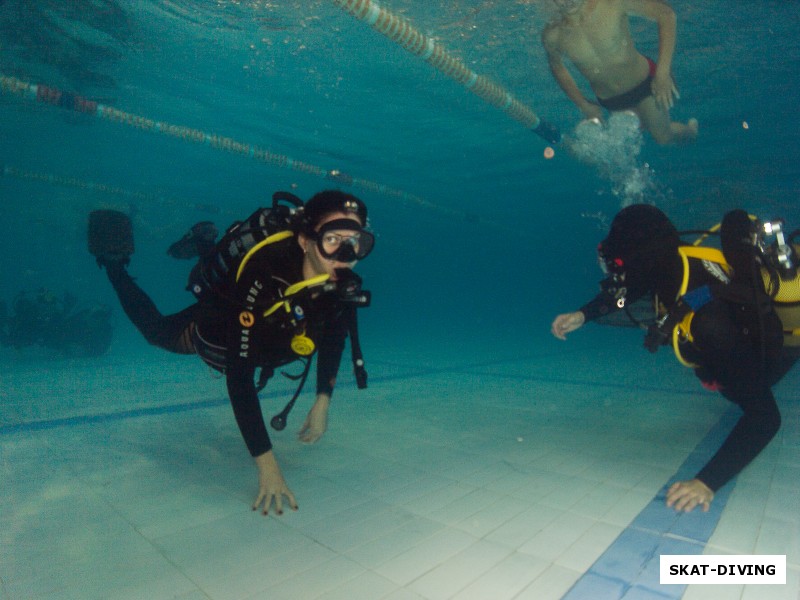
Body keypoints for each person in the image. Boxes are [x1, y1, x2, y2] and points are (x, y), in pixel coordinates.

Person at [88, 190, 375, 516]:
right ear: (306, 241)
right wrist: (267, 465)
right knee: (155, 332)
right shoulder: (264, 274)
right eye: (333, 239)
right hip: (218, 336)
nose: (346, 254)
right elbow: (240, 375)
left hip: (272, 345)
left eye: (357, 242)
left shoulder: (338, 283)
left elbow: (336, 335)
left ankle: (203, 242)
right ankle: (114, 267)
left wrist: (323, 399)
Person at [551, 204, 799, 513]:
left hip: (777, 346)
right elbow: (632, 287)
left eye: (619, 262)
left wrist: (707, 482)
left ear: (641, 256)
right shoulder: (674, 262)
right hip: (725, 330)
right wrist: (584, 314)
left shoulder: (710, 322)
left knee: (736, 390)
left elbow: (765, 418)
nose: (617, 272)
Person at [542, 0, 698, 144]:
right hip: (611, 101)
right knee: (641, 130)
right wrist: (583, 104)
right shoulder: (553, 35)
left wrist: (662, 73)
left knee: (663, 137)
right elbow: (557, 67)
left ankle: (691, 131)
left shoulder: (612, 4)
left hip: (645, 84)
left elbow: (666, 14)